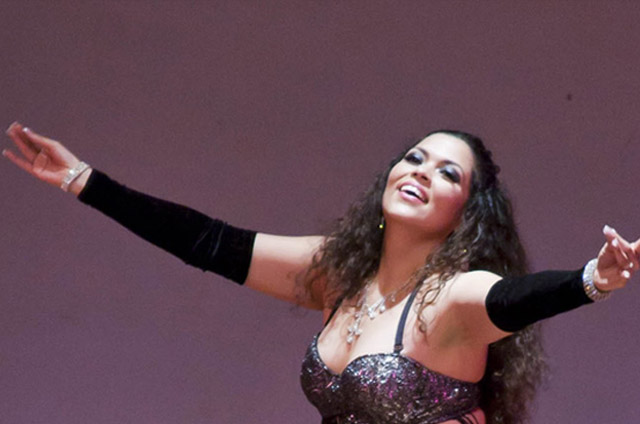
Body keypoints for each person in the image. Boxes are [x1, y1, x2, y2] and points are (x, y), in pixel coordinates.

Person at [3, 122, 638, 424]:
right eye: (414, 158)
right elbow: (210, 243)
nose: (421, 172)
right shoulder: (340, 274)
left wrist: (594, 278)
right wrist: (83, 181)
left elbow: (518, 299)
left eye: (447, 173)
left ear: (465, 214)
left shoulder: (453, 299)